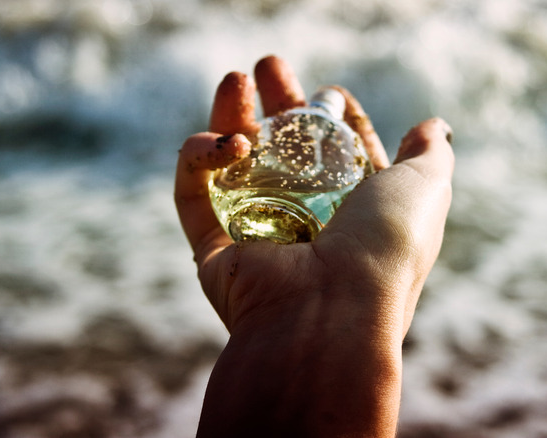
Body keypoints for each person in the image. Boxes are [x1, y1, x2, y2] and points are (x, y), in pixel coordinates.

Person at [174, 55, 454, 437]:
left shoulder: (339, 143)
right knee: (235, 148)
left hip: (243, 214)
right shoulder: (338, 146)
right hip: (258, 221)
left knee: (237, 147)